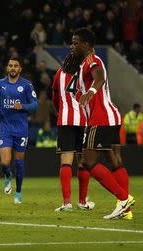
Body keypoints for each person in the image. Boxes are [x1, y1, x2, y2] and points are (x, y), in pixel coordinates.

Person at [72, 27, 134, 219]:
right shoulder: (83, 64)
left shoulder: (92, 60)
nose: (72, 46)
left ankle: (124, 199)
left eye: (75, 43)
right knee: (115, 161)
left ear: (86, 44)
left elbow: (100, 77)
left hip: (101, 118)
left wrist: (90, 93)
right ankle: (127, 212)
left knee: (88, 161)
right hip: (112, 116)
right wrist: (82, 93)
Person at [0, 57, 39, 204]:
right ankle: (7, 176)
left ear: (20, 69)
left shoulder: (26, 85)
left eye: (15, 66)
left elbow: (35, 105)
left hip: (21, 129)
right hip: (5, 128)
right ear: (7, 68)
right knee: (5, 162)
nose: (13, 68)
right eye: (10, 65)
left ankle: (18, 192)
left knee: (19, 162)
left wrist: (23, 106)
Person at [51, 52, 94, 212]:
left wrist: (61, 110)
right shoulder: (86, 73)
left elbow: (55, 97)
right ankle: (82, 202)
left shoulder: (59, 73)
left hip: (66, 121)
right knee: (83, 162)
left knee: (66, 161)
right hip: (84, 121)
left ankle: (67, 203)